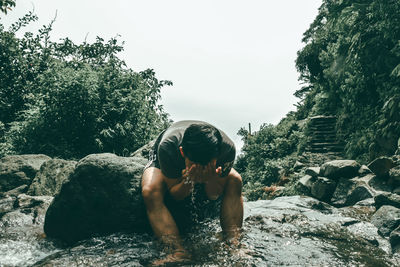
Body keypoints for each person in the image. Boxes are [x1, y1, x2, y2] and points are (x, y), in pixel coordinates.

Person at [141, 120, 243, 264]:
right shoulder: (168, 148)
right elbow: (176, 194)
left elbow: (213, 195)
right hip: (166, 155)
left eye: (206, 165)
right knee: (149, 191)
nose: (200, 168)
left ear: (217, 157)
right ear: (183, 152)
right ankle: (177, 251)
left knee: (235, 180)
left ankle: (234, 245)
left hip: (204, 156)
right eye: (194, 165)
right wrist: (188, 181)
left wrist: (211, 178)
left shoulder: (227, 150)